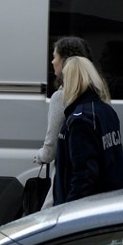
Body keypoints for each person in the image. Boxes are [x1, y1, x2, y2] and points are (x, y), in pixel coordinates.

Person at [53, 56, 123, 205]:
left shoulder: (81, 119)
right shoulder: (106, 111)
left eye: (64, 80)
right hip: (107, 203)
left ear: (71, 81)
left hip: (84, 211)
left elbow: (84, 176)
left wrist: (68, 211)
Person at [32, 37, 93, 209]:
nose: (52, 61)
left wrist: (39, 156)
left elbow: (51, 148)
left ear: (65, 62)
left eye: (55, 56)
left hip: (66, 177)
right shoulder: (94, 91)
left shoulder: (61, 96)